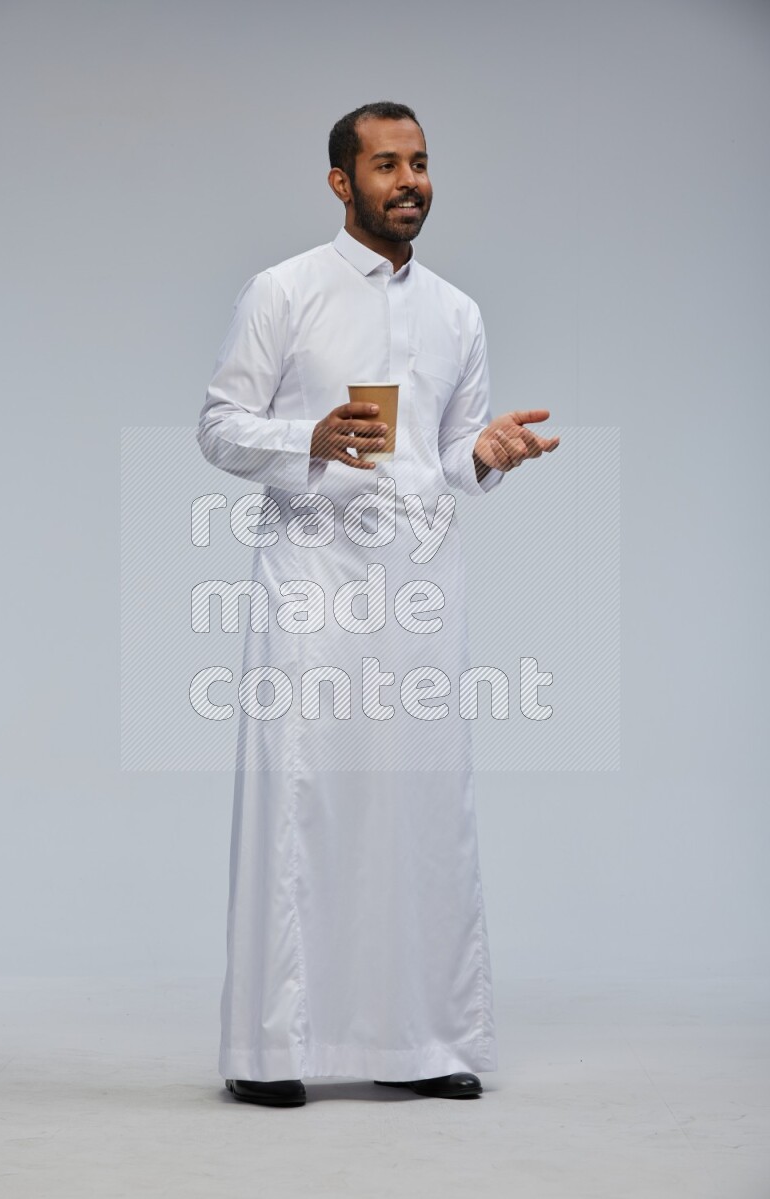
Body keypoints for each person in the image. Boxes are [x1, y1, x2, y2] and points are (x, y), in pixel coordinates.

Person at [196, 101, 559, 1108]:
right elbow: (219, 425)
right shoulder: (286, 291)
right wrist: (308, 437)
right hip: (311, 581)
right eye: (386, 164)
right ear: (339, 181)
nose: (409, 181)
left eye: (421, 163)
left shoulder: (456, 311)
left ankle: (427, 1035)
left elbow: (441, 456)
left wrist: (480, 456)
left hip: (420, 587)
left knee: (422, 804)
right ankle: (272, 1047)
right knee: (303, 796)